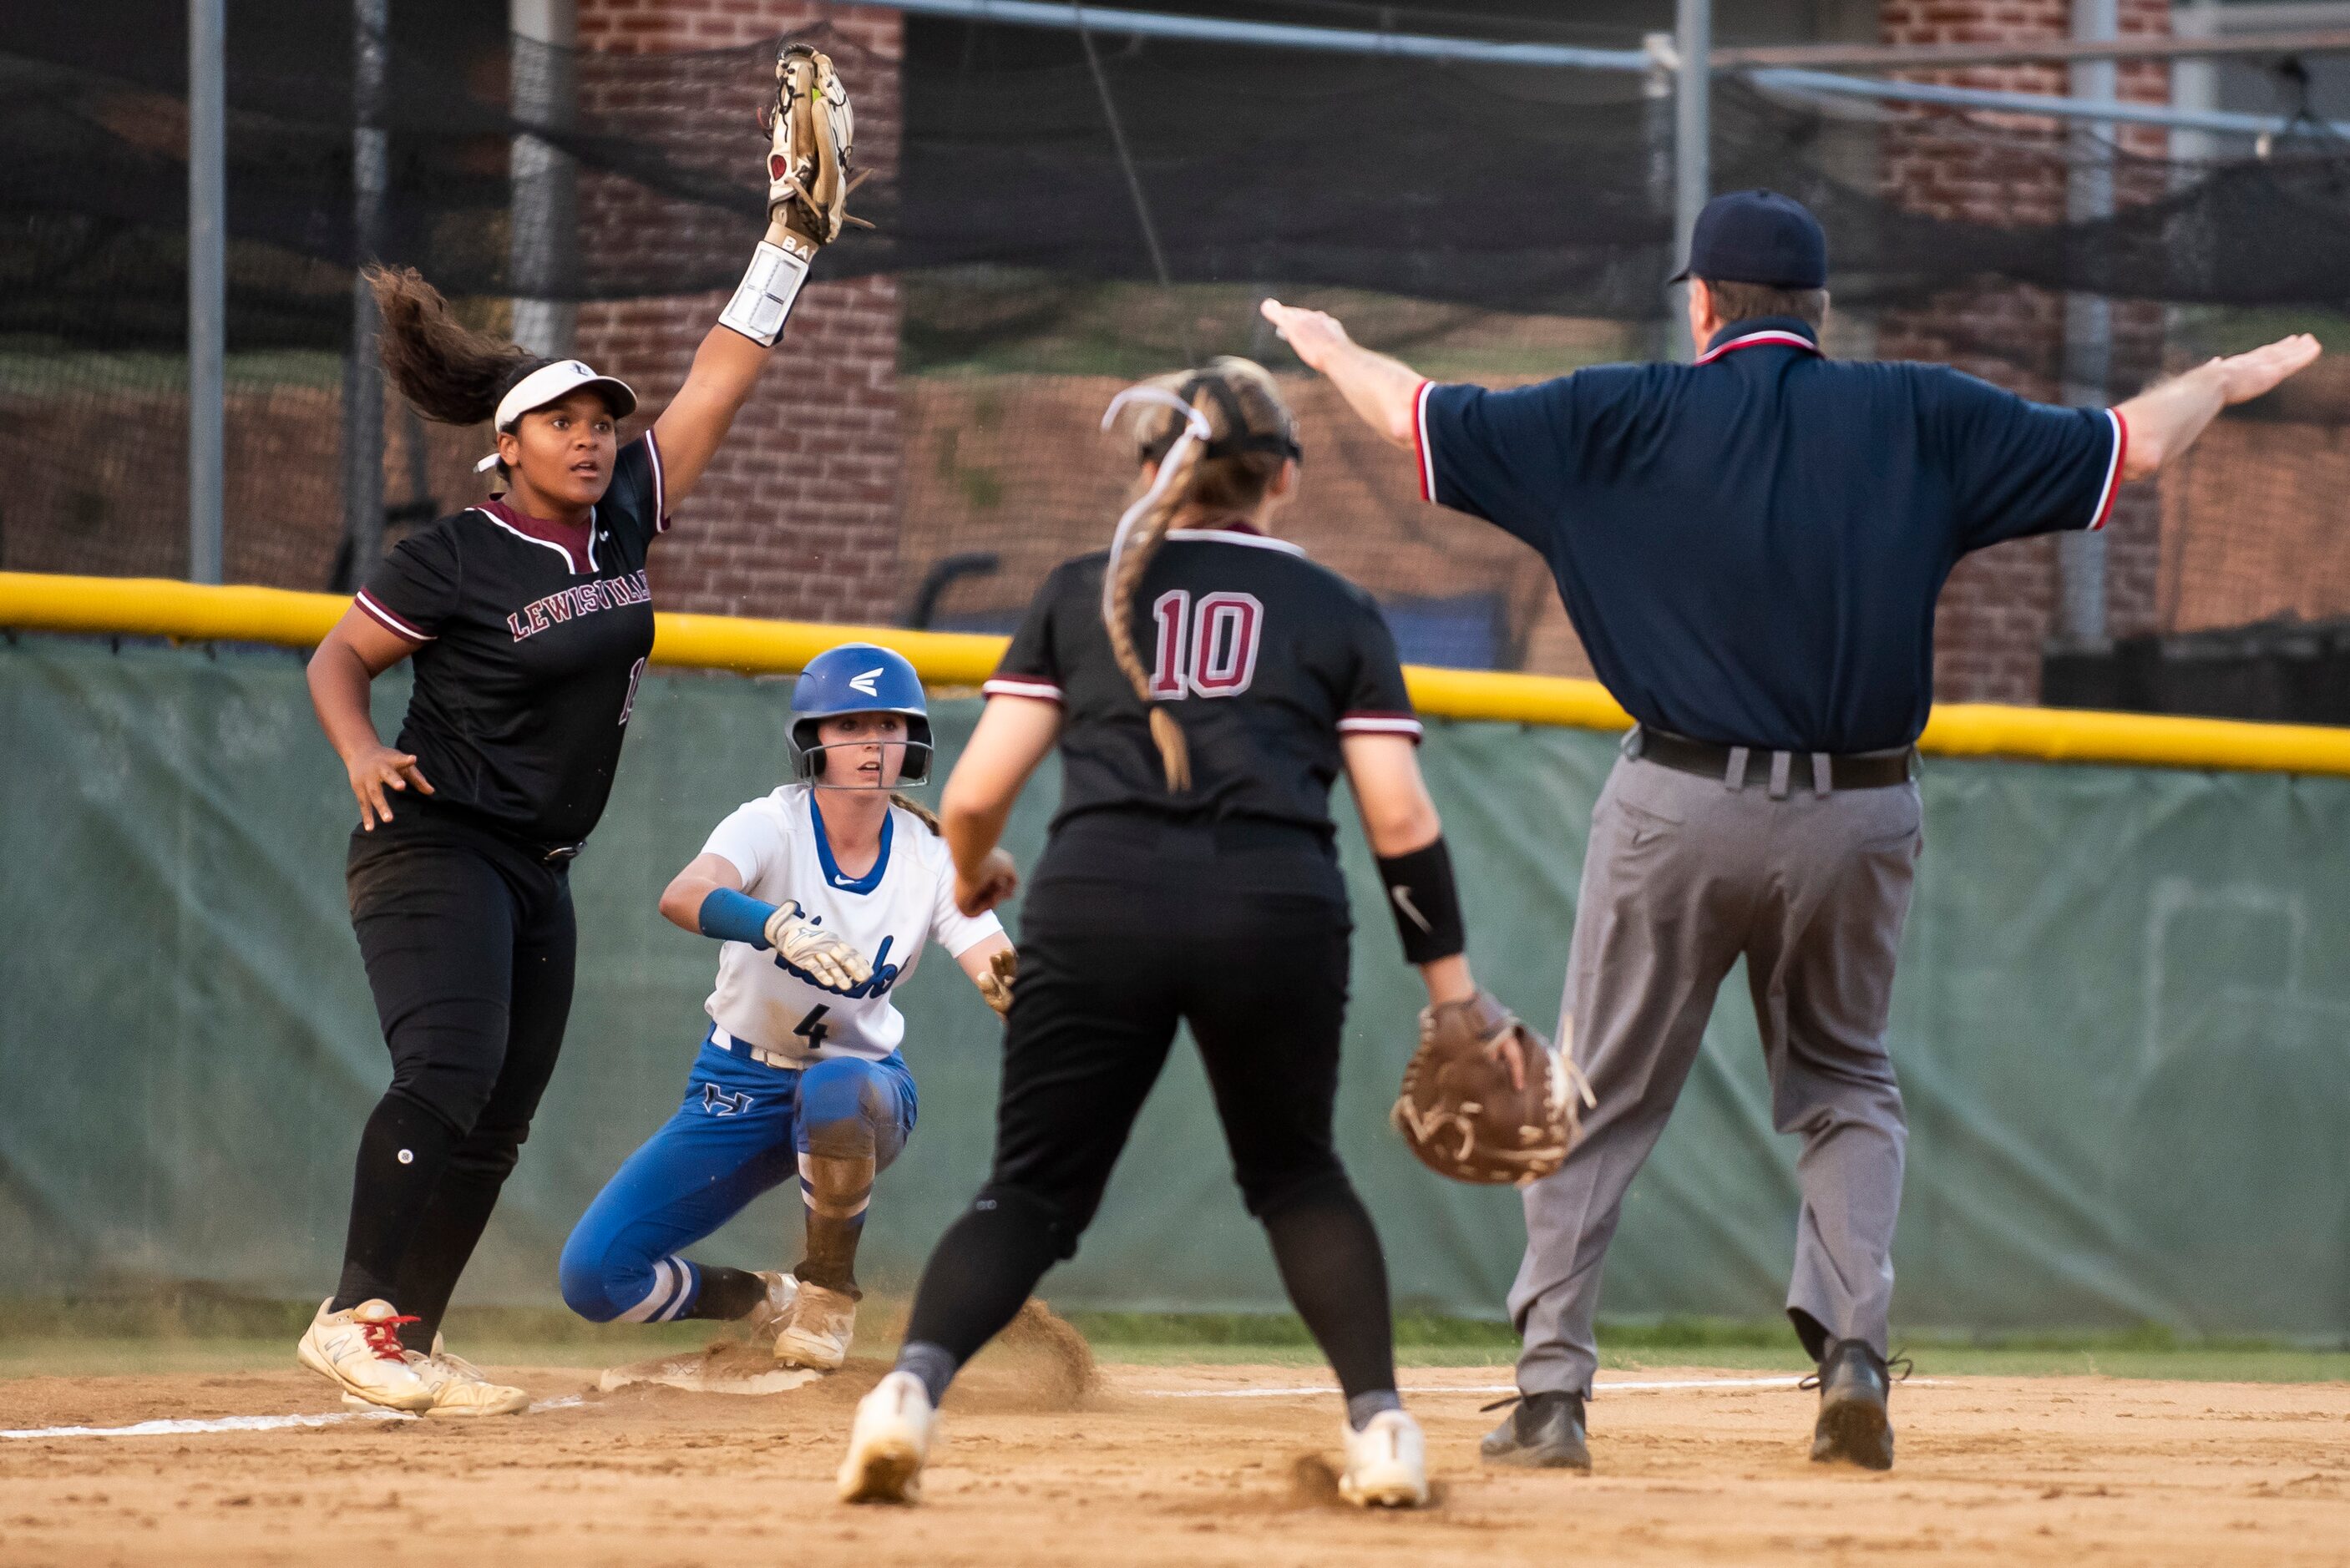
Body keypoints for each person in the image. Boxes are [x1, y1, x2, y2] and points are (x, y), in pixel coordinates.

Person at [1263, 188, 2320, 1472]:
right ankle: (1854, 1362)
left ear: (1702, 302)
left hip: (1677, 802)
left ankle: (1550, 1400)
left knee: (1594, 1093)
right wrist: (2217, 373)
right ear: (1817, 309)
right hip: (1860, 810)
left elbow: (1405, 411)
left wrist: (1327, 345)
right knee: (1845, 1087)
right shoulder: (1917, 413)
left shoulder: (1610, 413)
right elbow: (2130, 449)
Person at [295, 42, 869, 1418]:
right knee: (444, 1068)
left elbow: (722, 374)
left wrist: (786, 237)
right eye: (566, 419)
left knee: (497, 1113)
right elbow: (339, 654)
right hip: (431, 843)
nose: (598, 433)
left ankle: (407, 1334)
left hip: (538, 864)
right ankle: (352, 1313)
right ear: (508, 446)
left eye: (606, 415)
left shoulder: (619, 519)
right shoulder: (458, 552)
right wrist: (362, 751)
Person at [833, 357, 1517, 1510]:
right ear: (1283, 480)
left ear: (1154, 472)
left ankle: (905, 1396)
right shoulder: (1337, 609)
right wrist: (1454, 992)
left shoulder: (1075, 589)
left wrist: (969, 872)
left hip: (1098, 901)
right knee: (1296, 1173)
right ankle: (1384, 1427)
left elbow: (971, 797)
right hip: (1275, 905)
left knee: (1033, 1193)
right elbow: (1398, 816)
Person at [557, 645, 1016, 1369]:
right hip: (736, 1086)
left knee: (833, 1086)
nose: (872, 744)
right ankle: (767, 1300)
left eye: (889, 726)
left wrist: (1022, 991)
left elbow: (990, 957)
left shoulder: (931, 853)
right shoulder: (771, 822)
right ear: (814, 741)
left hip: (862, 1093)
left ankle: (828, 1296)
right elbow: (683, 893)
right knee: (596, 1279)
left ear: (914, 741)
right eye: (849, 725)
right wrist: (773, 924)